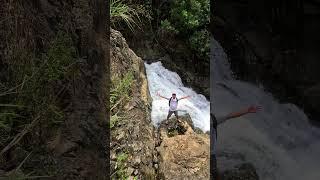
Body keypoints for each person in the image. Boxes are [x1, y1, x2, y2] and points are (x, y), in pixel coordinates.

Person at [211, 105, 261, 180]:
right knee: (214, 171)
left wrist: (247, 111)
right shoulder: (212, 120)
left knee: (214, 172)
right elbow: (229, 116)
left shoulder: (213, 120)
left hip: (211, 154)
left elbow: (230, 116)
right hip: (208, 153)